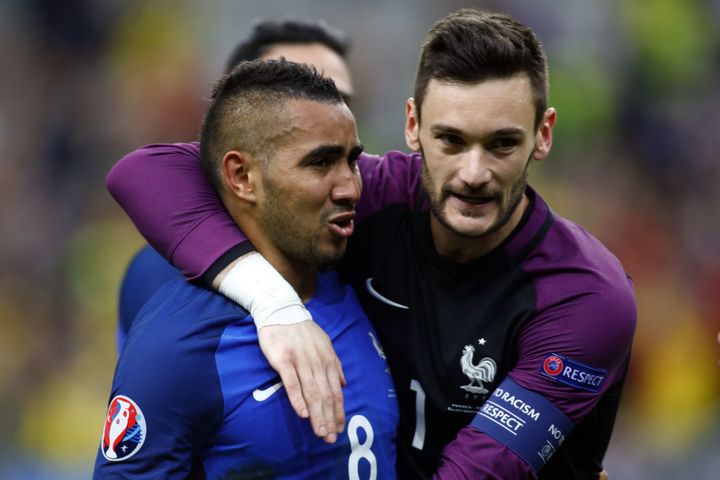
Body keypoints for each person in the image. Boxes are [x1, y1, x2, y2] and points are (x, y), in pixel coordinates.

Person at [107, 9, 635, 479]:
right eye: (450, 140)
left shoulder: (585, 296)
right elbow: (145, 172)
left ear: (543, 136)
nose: (474, 173)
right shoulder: (373, 200)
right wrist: (274, 304)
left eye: (502, 143)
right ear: (413, 126)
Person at [94, 59, 398, 479]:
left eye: (352, 160)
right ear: (241, 176)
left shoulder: (366, 281)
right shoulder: (178, 346)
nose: (350, 187)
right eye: (321, 163)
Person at [116, 17, 354, 352]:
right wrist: (273, 301)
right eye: (289, 91)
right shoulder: (161, 282)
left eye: (338, 97)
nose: (323, 108)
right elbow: (139, 170)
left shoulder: (362, 231)